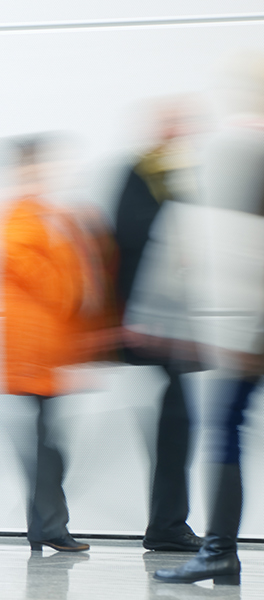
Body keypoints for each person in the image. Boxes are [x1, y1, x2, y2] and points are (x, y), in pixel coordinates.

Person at [153, 55, 264, 585]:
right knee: (225, 428)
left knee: (224, 431)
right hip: (250, 323)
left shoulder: (242, 145)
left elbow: (235, 244)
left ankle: (220, 551)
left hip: (251, 325)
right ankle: (220, 550)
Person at [0, 137, 109, 554]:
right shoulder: (22, 218)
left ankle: (44, 525)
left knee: (48, 442)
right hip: (32, 350)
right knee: (46, 445)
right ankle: (48, 526)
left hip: (49, 348)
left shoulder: (50, 216)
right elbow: (50, 281)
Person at [110, 102, 205, 553]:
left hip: (174, 324)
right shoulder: (144, 175)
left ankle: (168, 524)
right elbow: (130, 240)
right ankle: (167, 526)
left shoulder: (178, 176)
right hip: (154, 324)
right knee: (175, 424)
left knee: (178, 424)